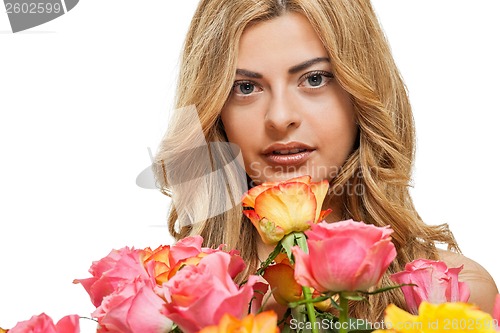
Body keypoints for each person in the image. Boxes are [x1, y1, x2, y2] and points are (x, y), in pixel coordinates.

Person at [153, 0, 498, 321]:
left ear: (362, 92)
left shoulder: (450, 295)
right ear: (214, 112)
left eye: (314, 79)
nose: (280, 117)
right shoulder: (168, 298)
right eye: (245, 87)